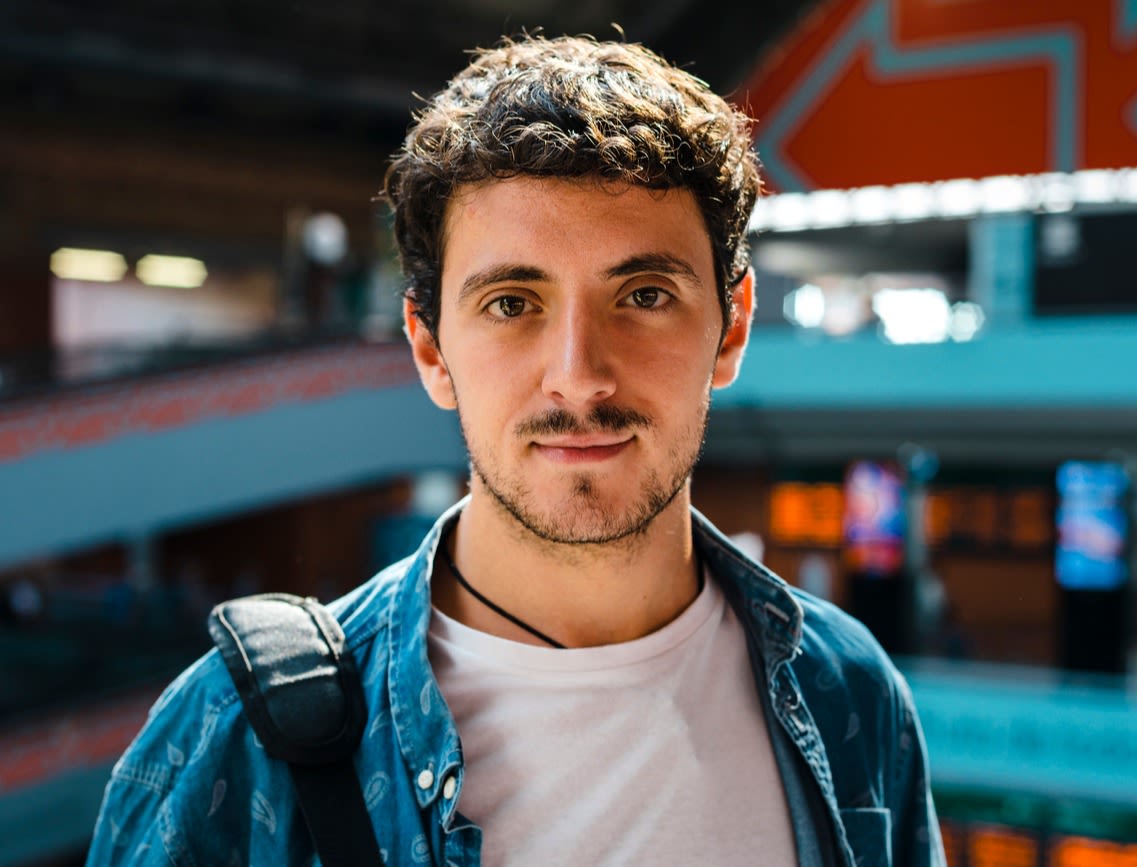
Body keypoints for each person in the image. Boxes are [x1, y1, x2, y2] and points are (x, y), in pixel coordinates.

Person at [87, 34, 945, 866]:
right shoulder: (226, 747)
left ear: (733, 326)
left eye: (644, 295)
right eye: (511, 303)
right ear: (429, 348)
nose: (579, 378)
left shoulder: (849, 697)